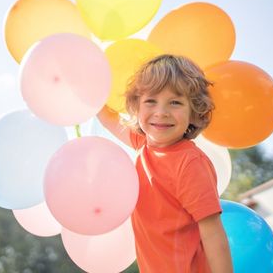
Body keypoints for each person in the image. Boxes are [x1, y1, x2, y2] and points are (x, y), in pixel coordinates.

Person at [97, 54, 233, 272]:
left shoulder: (189, 163)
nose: (161, 112)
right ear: (136, 106)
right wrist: (86, 84)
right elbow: (108, 119)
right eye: (151, 101)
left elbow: (213, 234)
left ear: (193, 111)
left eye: (175, 102)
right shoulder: (143, 145)